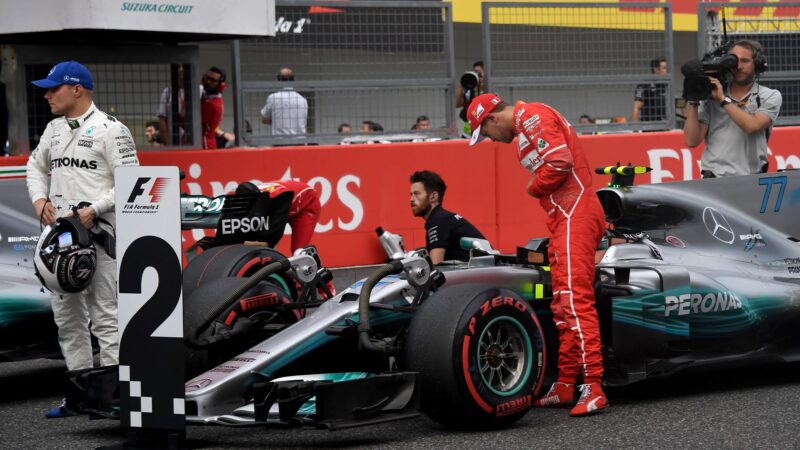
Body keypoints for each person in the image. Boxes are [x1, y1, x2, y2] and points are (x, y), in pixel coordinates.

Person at [467, 93, 608, 417]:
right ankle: (566, 385)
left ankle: (594, 387)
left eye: (485, 132)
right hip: (566, 215)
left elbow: (560, 162)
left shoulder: (532, 116)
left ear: (490, 119)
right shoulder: (526, 126)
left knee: (574, 300)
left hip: (575, 213)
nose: (490, 139)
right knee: (561, 304)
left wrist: (533, 187)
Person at [26, 61, 140, 417]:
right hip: (60, 241)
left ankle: (112, 399)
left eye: (53, 88)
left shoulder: (112, 130)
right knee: (68, 319)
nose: (46, 95)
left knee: (106, 317)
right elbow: (33, 165)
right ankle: (79, 397)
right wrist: (40, 199)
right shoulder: (53, 129)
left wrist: (96, 208)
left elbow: (132, 180)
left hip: (101, 239)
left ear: (77, 89)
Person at [683, 40, 782, 178]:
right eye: (734, 61)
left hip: (751, 178)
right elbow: (691, 141)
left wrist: (723, 100)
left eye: (745, 61)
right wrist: (694, 99)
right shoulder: (711, 95)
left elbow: (752, 126)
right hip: (714, 179)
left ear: (757, 64)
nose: (739, 66)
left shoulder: (769, 96)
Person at [409, 170, 485, 265]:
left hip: (483, 275)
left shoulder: (438, 220)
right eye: (411, 194)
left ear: (433, 196)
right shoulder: (444, 218)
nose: (411, 199)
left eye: (417, 194)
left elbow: (435, 267)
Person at [236, 179, 321, 254]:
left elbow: (273, 238)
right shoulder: (237, 203)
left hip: (306, 203)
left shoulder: (274, 201)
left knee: (298, 251)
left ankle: (316, 268)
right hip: (287, 198)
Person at [260, 67, 308, 137]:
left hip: (281, 142)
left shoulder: (273, 98)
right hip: (299, 142)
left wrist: (278, 121)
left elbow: (264, 119)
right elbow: (304, 124)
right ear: (294, 79)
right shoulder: (302, 100)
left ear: (278, 80)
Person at [632, 58, 669, 122]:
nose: (667, 71)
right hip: (650, 126)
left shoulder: (667, 85)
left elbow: (678, 102)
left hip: (666, 125)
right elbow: (636, 108)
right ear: (656, 70)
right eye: (664, 68)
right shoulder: (645, 85)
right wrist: (636, 129)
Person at [456, 61, 486, 138]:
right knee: (466, 146)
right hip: (469, 127)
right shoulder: (469, 90)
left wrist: (482, 85)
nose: (477, 75)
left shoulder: (490, 89)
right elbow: (457, 104)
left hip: (485, 127)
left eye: (479, 73)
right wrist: (463, 82)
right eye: (475, 72)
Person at [201, 66, 226, 149]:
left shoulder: (212, 104)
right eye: (207, 78)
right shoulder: (207, 96)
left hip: (205, 143)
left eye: (213, 80)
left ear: (220, 85)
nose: (208, 81)